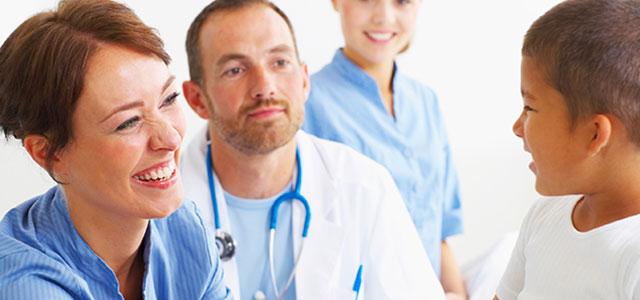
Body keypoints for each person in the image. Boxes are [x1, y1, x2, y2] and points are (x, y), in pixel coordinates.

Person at [180, 0, 445, 299]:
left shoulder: (365, 187)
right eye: (235, 69)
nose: (264, 86)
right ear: (197, 99)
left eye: (279, 63)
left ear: (305, 80)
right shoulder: (161, 212)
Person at [0, 0, 229, 299]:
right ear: (50, 154)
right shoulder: (20, 283)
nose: (170, 140)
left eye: (169, 99)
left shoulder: (184, 230)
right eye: (128, 122)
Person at [301, 0, 466, 298]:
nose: (384, 16)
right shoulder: (306, 104)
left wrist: (455, 294)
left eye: (402, 2)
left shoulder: (426, 102)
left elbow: (438, 230)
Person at [495, 0, 640, 298]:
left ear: (594, 134)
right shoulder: (544, 217)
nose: (517, 127)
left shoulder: (632, 255)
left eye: (529, 107)